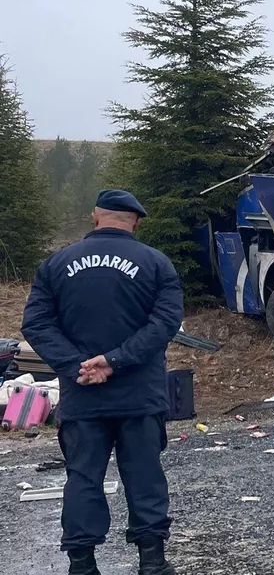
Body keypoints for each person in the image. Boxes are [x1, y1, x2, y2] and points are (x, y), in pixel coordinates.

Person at [21, 190, 184, 575]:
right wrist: (114, 362)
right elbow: (164, 325)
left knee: (83, 478)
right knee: (144, 476)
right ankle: (153, 564)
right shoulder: (157, 263)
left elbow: (36, 324)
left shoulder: (56, 263)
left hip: (82, 395)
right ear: (136, 222)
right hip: (139, 395)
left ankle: (82, 565)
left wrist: (76, 365)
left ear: (95, 218)